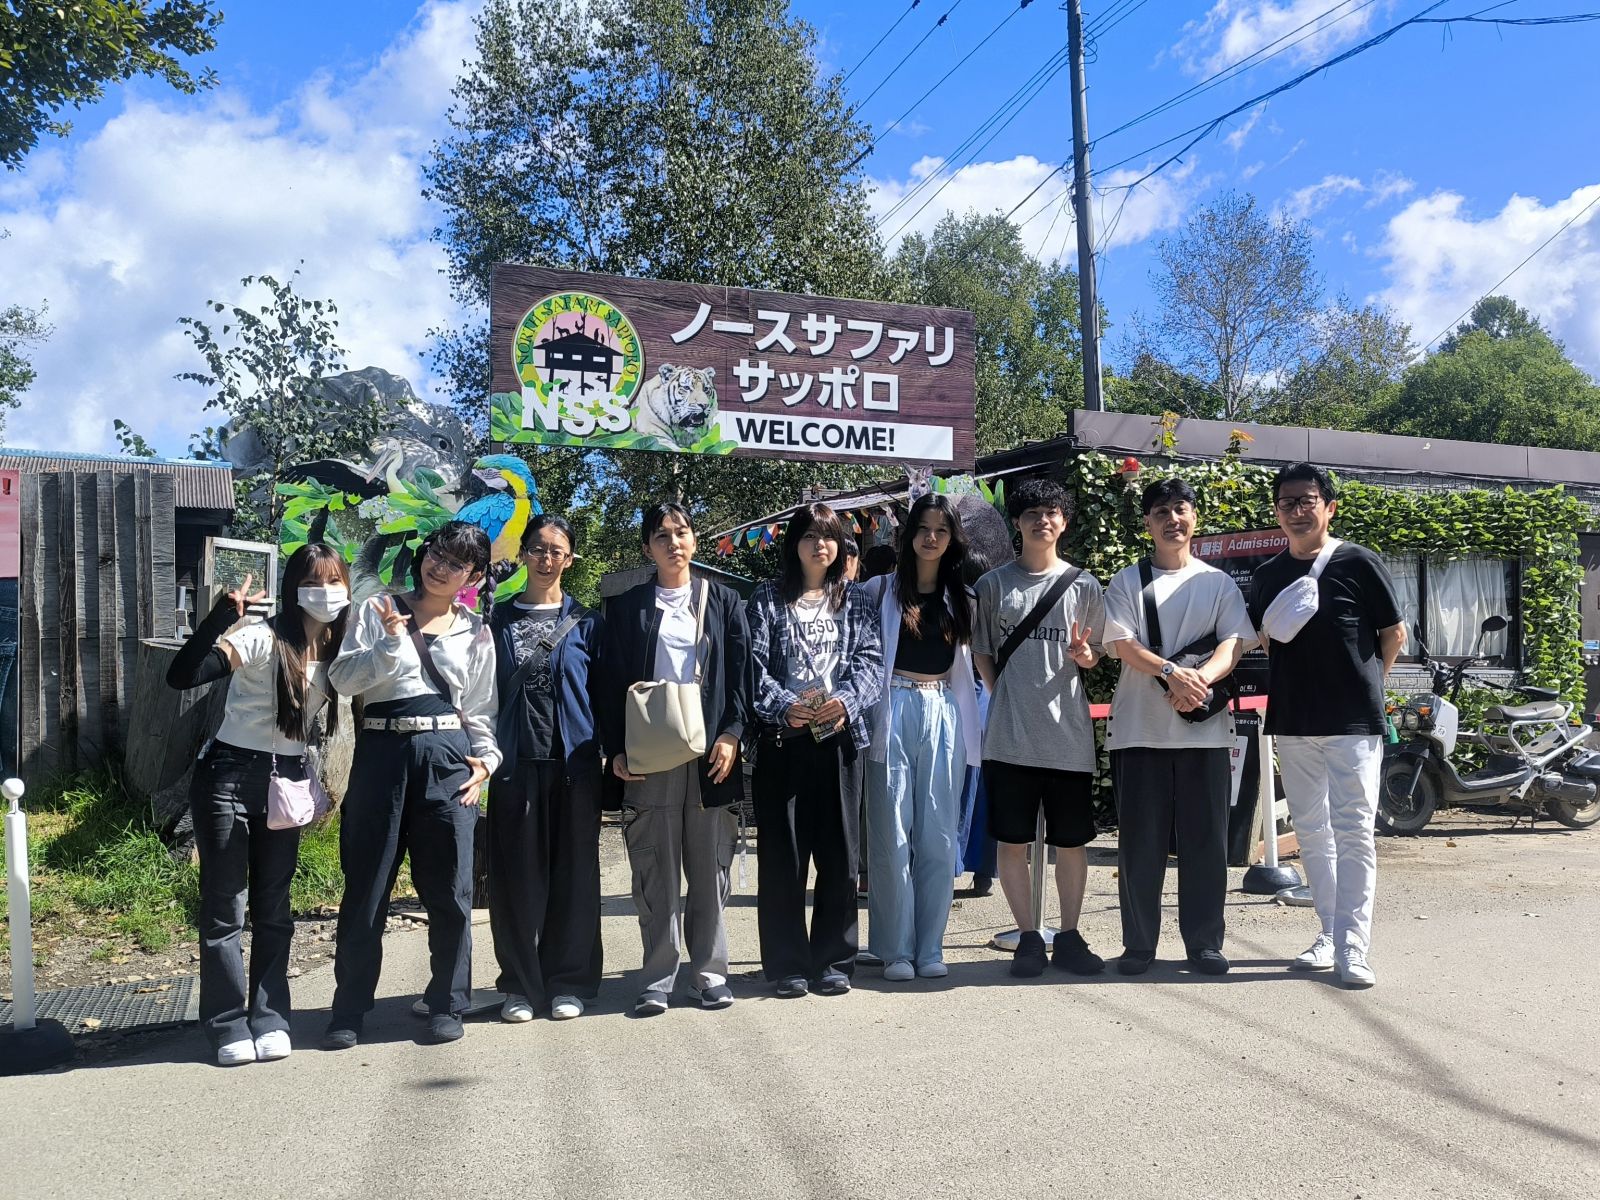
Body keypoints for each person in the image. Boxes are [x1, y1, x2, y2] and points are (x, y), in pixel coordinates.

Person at [165, 545, 352, 1066]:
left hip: (286, 780)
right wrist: (221, 618)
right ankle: (226, 1023)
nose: (325, 593)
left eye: (334, 582)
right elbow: (182, 676)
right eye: (313, 582)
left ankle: (270, 1017)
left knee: (274, 909)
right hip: (228, 776)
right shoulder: (260, 636)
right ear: (293, 589)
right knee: (226, 908)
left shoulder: (339, 646)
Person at [323, 521, 500, 1048]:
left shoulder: (477, 631)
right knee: (366, 886)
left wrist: (487, 762)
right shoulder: (377, 610)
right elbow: (342, 680)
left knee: (451, 890)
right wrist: (389, 643)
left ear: (473, 576)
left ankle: (448, 1002)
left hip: (449, 758)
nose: (440, 568)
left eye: (456, 563)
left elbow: (481, 709)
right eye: (436, 555)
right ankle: (349, 1009)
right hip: (381, 750)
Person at [1249, 463, 1404, 989]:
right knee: (1312, 833)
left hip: (1353, 722)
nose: (1297, 510)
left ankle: (1354, 945)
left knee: (1354, 831)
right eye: (1287, 502)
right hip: (1293, 720)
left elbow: (1394, 633)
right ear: (1277, 511)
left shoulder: (1359, 561)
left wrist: (1368, 686)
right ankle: (1330, 933)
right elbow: (1267, 641)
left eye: (1307, 500)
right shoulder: (1267, 575)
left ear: (1329, 507)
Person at [597, 502, 751, 1016]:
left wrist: (732, 734)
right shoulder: (628, 608)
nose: (673, 543)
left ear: (694, 540)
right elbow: (608, 682)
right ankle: (657, 978)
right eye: (661, 536)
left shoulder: (723, 601)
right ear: (648, 547)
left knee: (709, 866)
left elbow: (741, 675)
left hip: (711, 754)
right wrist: (617, 748)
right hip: (650, 750)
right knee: (655, 868)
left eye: (681, 532)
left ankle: (709, 974)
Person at [1102, 478, 1254, 975]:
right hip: (1138, 732)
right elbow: (1121, 644)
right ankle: (1138, 945)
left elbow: (1234, 644)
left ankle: (1205, 943)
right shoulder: (1127, 581)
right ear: (1148, 522)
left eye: (1181, 509)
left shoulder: (1218, 583)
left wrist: (1199, 681)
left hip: (1205, 735)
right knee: (1139, 846)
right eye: (1162, 511)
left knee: (1207, 844)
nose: (1173, 519)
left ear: (1195, 517)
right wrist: (1171, 671)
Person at [746, 503, 882, 998]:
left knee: (840, 855)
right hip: (783, 741)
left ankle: (833, 960)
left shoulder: (856, 599)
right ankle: (787, 965)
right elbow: (751, 665)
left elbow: (871, 662)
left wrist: (845, 701)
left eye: (828, 537)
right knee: (783, 857)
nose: (819, 545)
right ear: (794, 544)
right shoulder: (767, 597)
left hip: (839, 740)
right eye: (809, 536)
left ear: (840, 547)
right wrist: (785, 706)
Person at [971, 478, 1106, 979]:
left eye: (1051, 512)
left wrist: (1085, 655)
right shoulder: (993, 585)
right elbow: (982, 651)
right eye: (1031, 513)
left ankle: (1069, 935)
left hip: (1068, 738)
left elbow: (1095, 655)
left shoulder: (1084, 586)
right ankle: (1028, 935)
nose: (1041, 521)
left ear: (1063, 522)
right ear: (1017, 522)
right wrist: (1004, 693)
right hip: (1008, 739)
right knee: (1012, 842)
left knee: (1071, 843)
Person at [486, 515, 603, 1023]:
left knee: (574, 877)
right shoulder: (497, 620)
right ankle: (518, 984)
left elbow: (604, 693)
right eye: (537, 548)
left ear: (569, 559)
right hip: (514, 765)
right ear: (524, 554)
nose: (546, 558)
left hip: (574, 765)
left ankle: (568, 982)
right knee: (515, 879)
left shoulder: (588, 623)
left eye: (557, 550)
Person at [863, 493, 981, 981]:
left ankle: (930, 947)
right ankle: (895, 949)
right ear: (908, 535)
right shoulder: (878, 590)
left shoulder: (963, 598)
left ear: (952, 539)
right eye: (923, 528)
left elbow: (976, 666)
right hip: (891, 707)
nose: (931, 538)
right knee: (891, 833)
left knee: (938, 834)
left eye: (941, 530)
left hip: (943, 710)